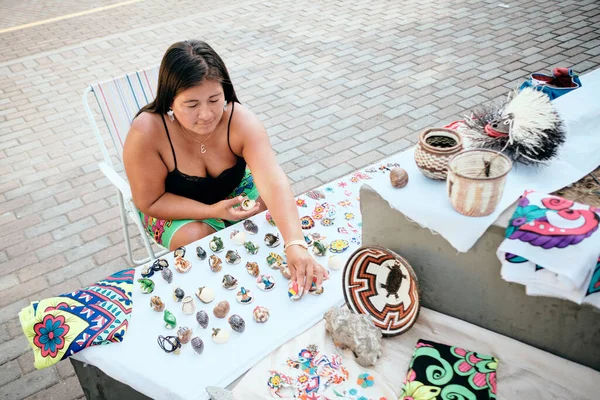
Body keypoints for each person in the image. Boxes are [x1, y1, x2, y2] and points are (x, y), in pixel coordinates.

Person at [123, 40, 328, 293]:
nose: (207, 114)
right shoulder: (147, 132)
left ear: (225, 91)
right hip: (170, 203)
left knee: (274, 213)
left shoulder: (239, 120)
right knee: (198, 240)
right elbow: (150, 201)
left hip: (232, 189)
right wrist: (211, 211)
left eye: (214, 99)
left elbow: (274, 181)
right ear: (170, 100)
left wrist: (295, 244)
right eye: (192, 105)